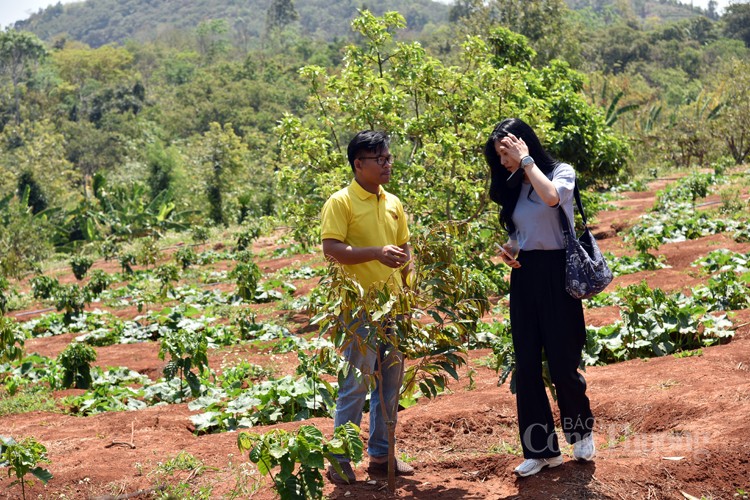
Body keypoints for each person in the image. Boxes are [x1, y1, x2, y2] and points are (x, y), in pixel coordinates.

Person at [484, 118, 596, 477]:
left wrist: (526, 161)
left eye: (506, 152)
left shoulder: (560, 171)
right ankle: (542, 450)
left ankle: (580, 434)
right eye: (498, 155)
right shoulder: (513, 184)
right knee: (527, 363)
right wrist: (511, 249)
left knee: (564, 360)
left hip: (558, 271)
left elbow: (550, 199)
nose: (502, 162)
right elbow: (522, 232)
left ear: (523, 144)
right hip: (525, 275)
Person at [320, 130, 415, 484]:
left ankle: (381, 454)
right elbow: (331, 248)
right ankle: (340, 459)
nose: (388, 164)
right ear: (359, 164)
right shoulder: (341, 202)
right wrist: (375, 253)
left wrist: (409, 291)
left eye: (389, 158)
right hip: (358, 308)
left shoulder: (393, 202)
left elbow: (406, 250)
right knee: (355, 384)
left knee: (390, 385)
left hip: (394, 308)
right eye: (381, 159)